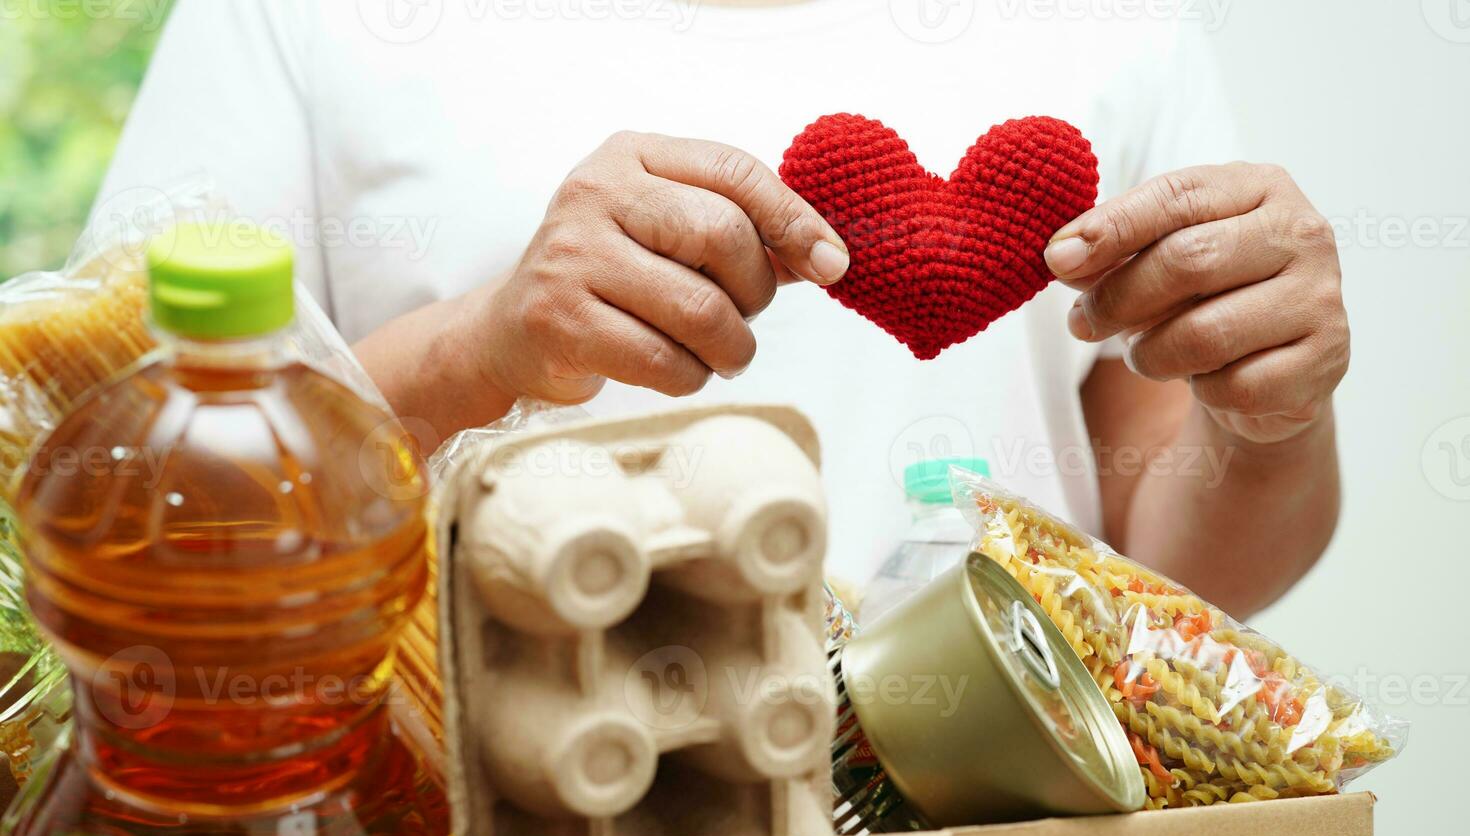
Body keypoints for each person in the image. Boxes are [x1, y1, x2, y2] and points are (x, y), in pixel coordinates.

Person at [96, 0, 1348, 616]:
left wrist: (1267, 424)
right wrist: (476, 352)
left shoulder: (1114, 23)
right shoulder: (295, 18)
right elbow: (115, 499)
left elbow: (1172, 571)